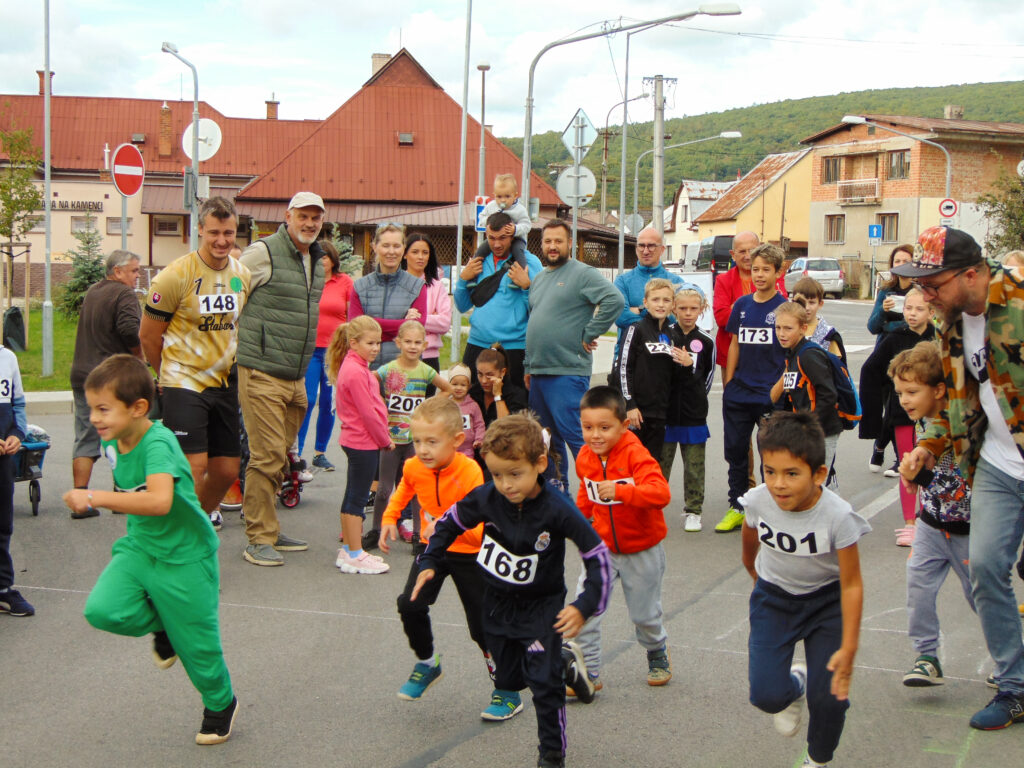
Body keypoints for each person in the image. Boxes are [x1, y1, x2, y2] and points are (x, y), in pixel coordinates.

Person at [411, 414, 610, 768]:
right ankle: (564, 662)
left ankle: (551, 755)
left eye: (515, 474)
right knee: (510, 679)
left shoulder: (557, 508)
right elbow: (450, 521)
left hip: (541, 609)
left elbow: (598, 556)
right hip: (497, 605)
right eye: (497, 474)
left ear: (540, 465)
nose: (505, 484)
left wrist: (584, 605)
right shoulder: (488, 497)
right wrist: (430, 560)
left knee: (543, 687)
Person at [64, 355, 236, 745]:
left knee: (200, 651)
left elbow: (159, 501)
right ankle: (163, 625)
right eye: (92, 408)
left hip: (186, 557)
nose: (94, 417)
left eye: (103, 409)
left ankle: (220, 703)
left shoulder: (158, 443)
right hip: (140, 548)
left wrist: (93, 496)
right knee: (102, 610)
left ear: (138, 408)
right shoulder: (116, 440)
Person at [897, 226, 1024, 730]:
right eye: (920, 286)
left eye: (934, 284)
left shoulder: (1018, 303)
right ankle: (1015, 687)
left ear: (972, 274)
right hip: (996, 465)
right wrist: (928, 448)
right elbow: (956, 404)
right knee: (987, 568)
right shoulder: (948, 326)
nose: (925, 295)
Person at [741, 411, 870, 768]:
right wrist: (751, 567)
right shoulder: (758, 500)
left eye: (792, 473)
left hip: (827, 604)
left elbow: (852, 582)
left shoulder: (838, 516)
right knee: (766, 696)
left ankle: (817, 758)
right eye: (770, 471)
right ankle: (794, 685)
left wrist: (849, 646)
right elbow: (750, 532)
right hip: (774, 599)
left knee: (830, 698)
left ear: (819, 474)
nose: (779, 484)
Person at [141, 196, 251, 532]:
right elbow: (148, 336)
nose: (222, 240)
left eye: (229, 233)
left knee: (227, 470)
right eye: (214, 232)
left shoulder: (242, 274)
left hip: (223, 382)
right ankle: (178, 537)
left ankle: (191, 525)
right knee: (193, 465)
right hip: (183, 379)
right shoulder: (174, 276)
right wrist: (164, 374)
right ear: (200, 230)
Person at [378, 398, 491, 703]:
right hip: (435, 550)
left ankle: (506, 688)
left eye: (431, 441)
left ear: (456, 441)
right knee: (410, 603)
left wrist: (442, 525)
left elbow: (478, 521)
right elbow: (405, 488)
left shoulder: (470, 472)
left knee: (483, 628)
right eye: (417, 441)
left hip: (470, 551)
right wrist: (390, 517)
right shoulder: (415, 465)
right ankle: (428, 663)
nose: (422, 449)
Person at [237, 191, 326, 566]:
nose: (309, 223)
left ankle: (269, 528)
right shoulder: (263, 253)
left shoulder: (315, 260)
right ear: (287, 216)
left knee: (284, 455)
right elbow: (231, 293)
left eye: (315, 218)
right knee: (267, 454)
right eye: (303, 216)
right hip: (261, 369)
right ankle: (257, 537)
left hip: (294, 374)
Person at [572, 386, 672, 694]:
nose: (595, 435)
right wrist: (574, 524)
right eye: (588, 427)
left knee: (644, 614)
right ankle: (588, 672)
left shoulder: (636, 455)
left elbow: (661, 494)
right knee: (584, 609)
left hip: (642, 548)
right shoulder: (585, 456)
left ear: (623, 425)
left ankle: (656, 651)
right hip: (602, 550)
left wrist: (622, 491)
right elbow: (585, 496)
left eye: (605, 427)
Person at [890, 342, 974, 688]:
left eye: (912, 391)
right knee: (918, 588)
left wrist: (918, 476)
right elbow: (930, 482)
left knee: (982, 597)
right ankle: (927, 656)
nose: (904, 400)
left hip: (969, 529)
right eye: (899, 393)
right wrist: (915, 481)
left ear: (939, 389)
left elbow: (961, 488)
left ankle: (1011, 656)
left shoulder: (961, 426)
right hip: (931, 525)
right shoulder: (923, 423)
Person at [526, 219, 623, 488]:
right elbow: (535, 321)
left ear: (570, 243)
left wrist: (590, 332)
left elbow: (614, 300)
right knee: (547, 440)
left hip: (567, 372)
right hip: (539, 373)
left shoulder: (582, 273)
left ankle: (595, 496)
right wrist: (527, 366)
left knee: (577, 438)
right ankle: (559, 498)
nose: (553, 246)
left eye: (558, 241)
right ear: (542, 245)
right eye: (548, 241)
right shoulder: (540, 278)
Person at [717, 243, 788, 533]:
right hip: (739, 391)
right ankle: (737, 505)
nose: (759, 275)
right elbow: (734, 343)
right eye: (755, 269)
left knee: (769, 454)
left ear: (777, 272)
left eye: (765, 270)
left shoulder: (784, 308)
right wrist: (730, 382)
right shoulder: (743, 305)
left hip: (770, 393)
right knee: (735, 451)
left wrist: (778, 389)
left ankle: (770, 510)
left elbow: (791, 351)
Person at [366, 321, 453, 549]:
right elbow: (368, 383)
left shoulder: (426, 371)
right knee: (384, 489)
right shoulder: (388, 369)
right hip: (391, 440)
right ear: (398, 343)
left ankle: (419, 534)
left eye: (417, 343)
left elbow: (448, 389)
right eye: (408, 342)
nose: (412, 347)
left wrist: (426, 407)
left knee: (416, 488)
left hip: (415, 440)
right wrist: (378, 407)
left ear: (425, 345)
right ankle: (375, 530)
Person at [859, 289, 935, 546]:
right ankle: (910, 524)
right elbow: (870, 369)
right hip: (902, 414)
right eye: (908, 308)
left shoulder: (939, 338)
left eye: (919, 309)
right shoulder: (894, 337)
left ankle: (927, 519)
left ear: (932, 313)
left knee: (930, 466)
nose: (912, 314)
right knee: (908, 465)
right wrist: (871, 418)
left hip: (933, 416)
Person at [69, 249, 142, 499]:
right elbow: (130, 330)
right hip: (110, 377)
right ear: (118, 271)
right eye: (133, 270)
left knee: (85, 435)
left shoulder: (93, 291)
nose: (137, 275)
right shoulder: (124, 293)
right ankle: (122, 492)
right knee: (121, 433)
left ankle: (80, 495)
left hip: (82, 374)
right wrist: (139, 358)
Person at [329, 316, 393, 574]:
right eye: (370, 343)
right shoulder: (356, 371)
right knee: (357, 497)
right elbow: (368, 413)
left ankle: (349, 549)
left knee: (353, 494)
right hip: (363, 442)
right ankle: (355, 553)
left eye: (378, 342)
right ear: (353, 343)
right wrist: (384, 440)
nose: (376, 348)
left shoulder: (355, 366)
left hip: (357, 440)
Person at [455, 212, 542, 389]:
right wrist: (463, 279)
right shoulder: (477, 261)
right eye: (491, 237)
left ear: (513, 235)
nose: (496, 244)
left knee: (513, 409)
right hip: (477, 344)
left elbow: (540, 309)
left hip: (514, 348)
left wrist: (527, 287)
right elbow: (462, 306)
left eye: (503, 238)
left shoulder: (530, 263)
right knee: (475, 407)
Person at [771, 298, 843, 489]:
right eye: (778, 328)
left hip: (822, 430)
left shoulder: (808, 355)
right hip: (808, 428)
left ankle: (837, 517)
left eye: (788, 328)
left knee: (814, 486)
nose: (781, 333)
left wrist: (811, 427)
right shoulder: (793, 353)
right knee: (815, 485)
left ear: (803, 328)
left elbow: (828, 394)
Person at [660, 285, 715, 532]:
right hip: (665, 414)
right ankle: (653, 508)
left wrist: (691, 365)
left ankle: (694, 510)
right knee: (660, 466)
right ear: (673, 308)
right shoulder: (663, 336)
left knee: (694, 467)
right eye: (682, 308)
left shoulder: (706, 341)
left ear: (702, 309)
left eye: (693, 308)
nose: (688, 313)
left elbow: (708, 378)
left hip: (694, 415)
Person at [612, 278, 683, 461]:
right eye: (655, 299)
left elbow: (673, 376)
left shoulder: (672, 334)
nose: (660, 305)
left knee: (651, 465)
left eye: (666, 300)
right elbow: (623, 368)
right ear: (645, 302)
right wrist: (629, 405)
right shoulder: (636, 329)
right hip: (637, 413)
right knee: (630, 464)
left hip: (659, 414)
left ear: (673, 305)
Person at [297, 240, 353, 472]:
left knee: (329, 403)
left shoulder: (344, 282)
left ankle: (320, 452)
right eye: (317, 257)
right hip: (310, 350)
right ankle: (296, 454)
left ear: (333, 259)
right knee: (307, 400)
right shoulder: (306, 280)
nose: (321, 261)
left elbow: (351, 316)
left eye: (325, 257)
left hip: (334, 353)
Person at [864, 244, 914, 472]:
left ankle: (892, 455)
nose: (901, 264)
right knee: (889, 409)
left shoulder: (920, 292)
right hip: (884, 357)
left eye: (906, 260)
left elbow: (916, 324)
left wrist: (891, 324)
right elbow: (874, 327)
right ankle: (884, 448)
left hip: (911, 358)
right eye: (897, 261)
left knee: (899, 410)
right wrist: (883, 311)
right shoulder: (886, 292)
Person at [349, 223, 427, 369]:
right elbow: (354, 329)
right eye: (385, 245)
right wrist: (403, 323)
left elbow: (416, 330)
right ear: (375, 247)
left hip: (405, 371)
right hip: (365, 370)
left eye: (396, 246)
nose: (391, 251)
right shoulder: (360, 287)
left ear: (404, 249)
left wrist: (370, 325)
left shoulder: (417, 287)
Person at [612, 227, 694, 355]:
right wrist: (659, 315)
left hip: (665, 356)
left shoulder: (676, 282)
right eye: (641, 246)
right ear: (636, 248)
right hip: (628, 354)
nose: (645, 251)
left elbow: (678, 319)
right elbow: (621, 318)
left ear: (662, 249)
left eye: (651, 246)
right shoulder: (622, 281)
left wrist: (640, 310)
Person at [0, 337, 30, 617]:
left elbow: (18, 406)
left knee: (2, 523)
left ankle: (2, 588)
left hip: (3, 460)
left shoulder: (7, 358)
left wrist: (16, 435)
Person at [402, 233, 451, 381]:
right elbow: (392, 317)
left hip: (429, 357)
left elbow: (444, 323)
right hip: (400, 356)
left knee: (429, 404)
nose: (420, 257)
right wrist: (431, 319)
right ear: (405, 254)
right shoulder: (397, 285)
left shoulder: (437, 286)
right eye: (415, 252)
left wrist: (416, 318)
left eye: (425, 252)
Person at [469, 174, 531, 286]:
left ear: (515, 195)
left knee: (518, 253)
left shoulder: (520, 209)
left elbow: (527, 225)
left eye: (507, 196)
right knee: (480, 251)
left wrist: (515, 229)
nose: (503, 200)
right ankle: (472, 277)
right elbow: (481, 218)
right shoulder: (491, 206)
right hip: (495, 238)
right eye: (499, 196)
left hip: (516, 239)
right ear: (494, 195)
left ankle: (518, 278)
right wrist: (490, 221)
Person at [790, 277, 846, 363]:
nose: (807, 307)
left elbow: (836, 367)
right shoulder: (787, 330)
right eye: (802, 302)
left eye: (812, 302)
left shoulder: (828, 334)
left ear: (820, 304)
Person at [447, 362, 485, 460]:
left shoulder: (473, 406)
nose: (459, 388)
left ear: (469, 387)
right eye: (455, 384)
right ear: (449, 384)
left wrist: (479, 439)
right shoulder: (445, 405)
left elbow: (479, 424)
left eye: (463, 385)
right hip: (448, 448)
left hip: (467, 450)